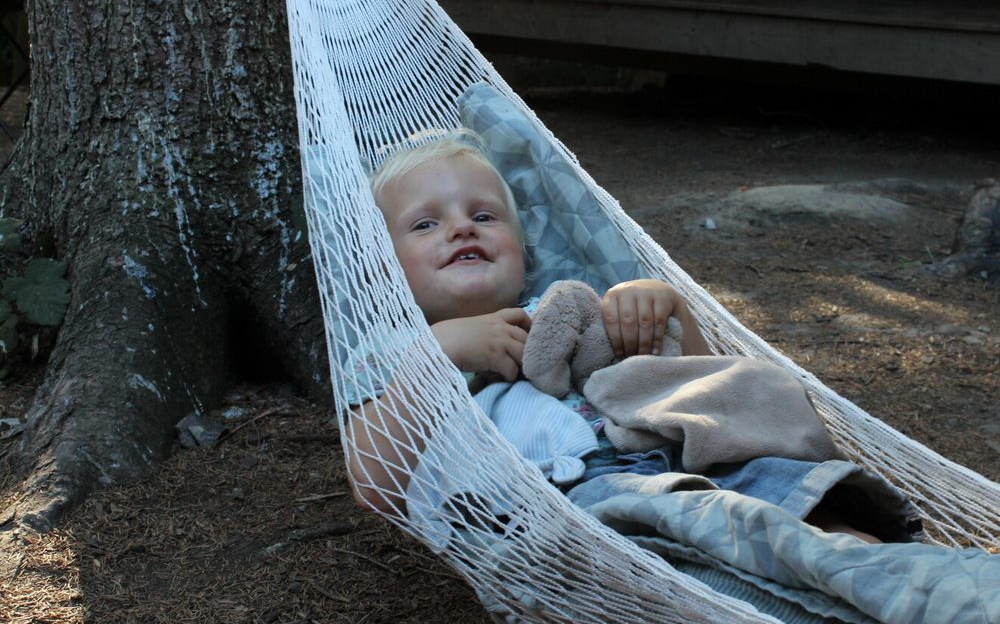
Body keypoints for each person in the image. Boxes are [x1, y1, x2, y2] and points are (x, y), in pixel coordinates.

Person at [344, 128, 919, 544]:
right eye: (426, 223)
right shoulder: (393, 355)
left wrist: (663, 306)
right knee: (713, 539)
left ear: (523, 249)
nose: (461, 227)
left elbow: (702, 391)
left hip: (691, 464)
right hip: (574, 504)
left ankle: (867, 562)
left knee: (812, 510)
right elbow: (376, 489)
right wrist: (437, 351)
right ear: (381, 265)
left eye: (485, 215)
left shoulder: (566, 309)